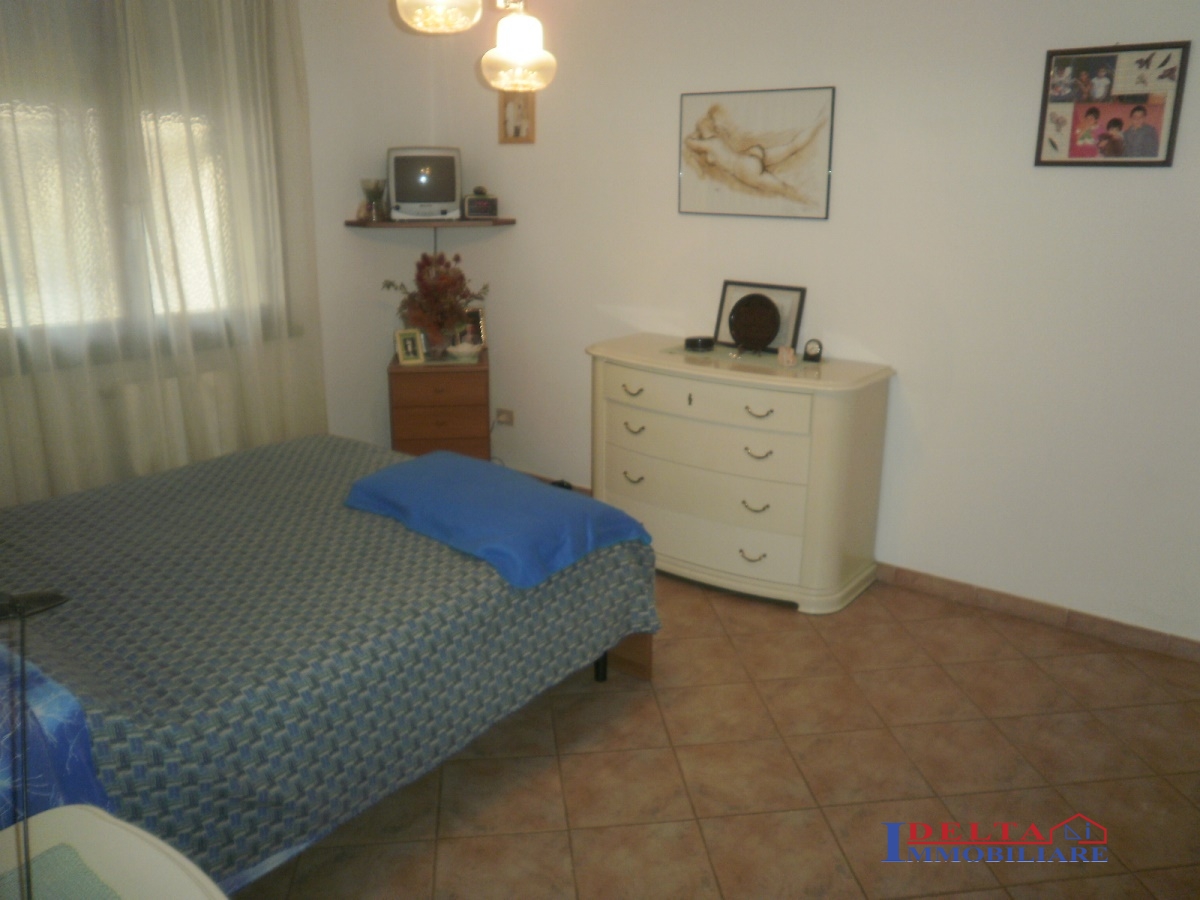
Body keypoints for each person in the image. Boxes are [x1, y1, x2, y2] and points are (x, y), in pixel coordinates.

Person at [684, 104, 828, 203]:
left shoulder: (710, 143)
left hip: (743, 168)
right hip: (749, 156)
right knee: (792, 147)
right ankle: (818, 122)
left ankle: (813, 203)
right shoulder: (717, 140)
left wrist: (696, 133)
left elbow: (688, 142)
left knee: (785, 189)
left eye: (699, 128)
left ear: (703, 129)